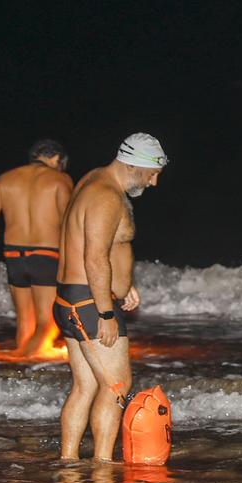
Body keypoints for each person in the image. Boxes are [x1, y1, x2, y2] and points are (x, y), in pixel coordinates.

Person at [55, 133, 168, 462]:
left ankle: (69, 464)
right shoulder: (106, 195)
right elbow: (93, 258)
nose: (154, 182)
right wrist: (106, 313)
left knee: (87, 387)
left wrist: (122, 284)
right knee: (117, 387)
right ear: (133, 166)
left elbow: (98, 244)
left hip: (74, 297)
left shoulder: (93, 179)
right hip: (90, 304)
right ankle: (102, 468)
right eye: (151, 173)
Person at [0, 139, 76, 354]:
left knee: (25, 323)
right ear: (56, 158)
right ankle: (19, 361)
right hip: (46, 255)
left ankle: (19, 373)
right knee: (48, 324)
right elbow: (70, 223)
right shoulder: (60, 179)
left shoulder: (5, 179)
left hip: (14, 256)